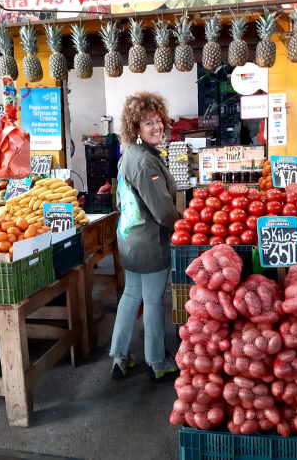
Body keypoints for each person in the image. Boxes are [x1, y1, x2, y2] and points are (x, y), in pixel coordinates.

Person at [111, 91, 180, 383]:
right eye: (148, 122)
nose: (156, 126)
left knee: (131, 295)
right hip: (150, 244)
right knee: (152, 300)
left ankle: (119, 358)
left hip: (129, 238)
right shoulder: (144, 161)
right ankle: (157, 362)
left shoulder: (130, 154)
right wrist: (183, 225)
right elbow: (163, 211)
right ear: (135, 127)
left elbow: (120, 200)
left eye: (158, 120)